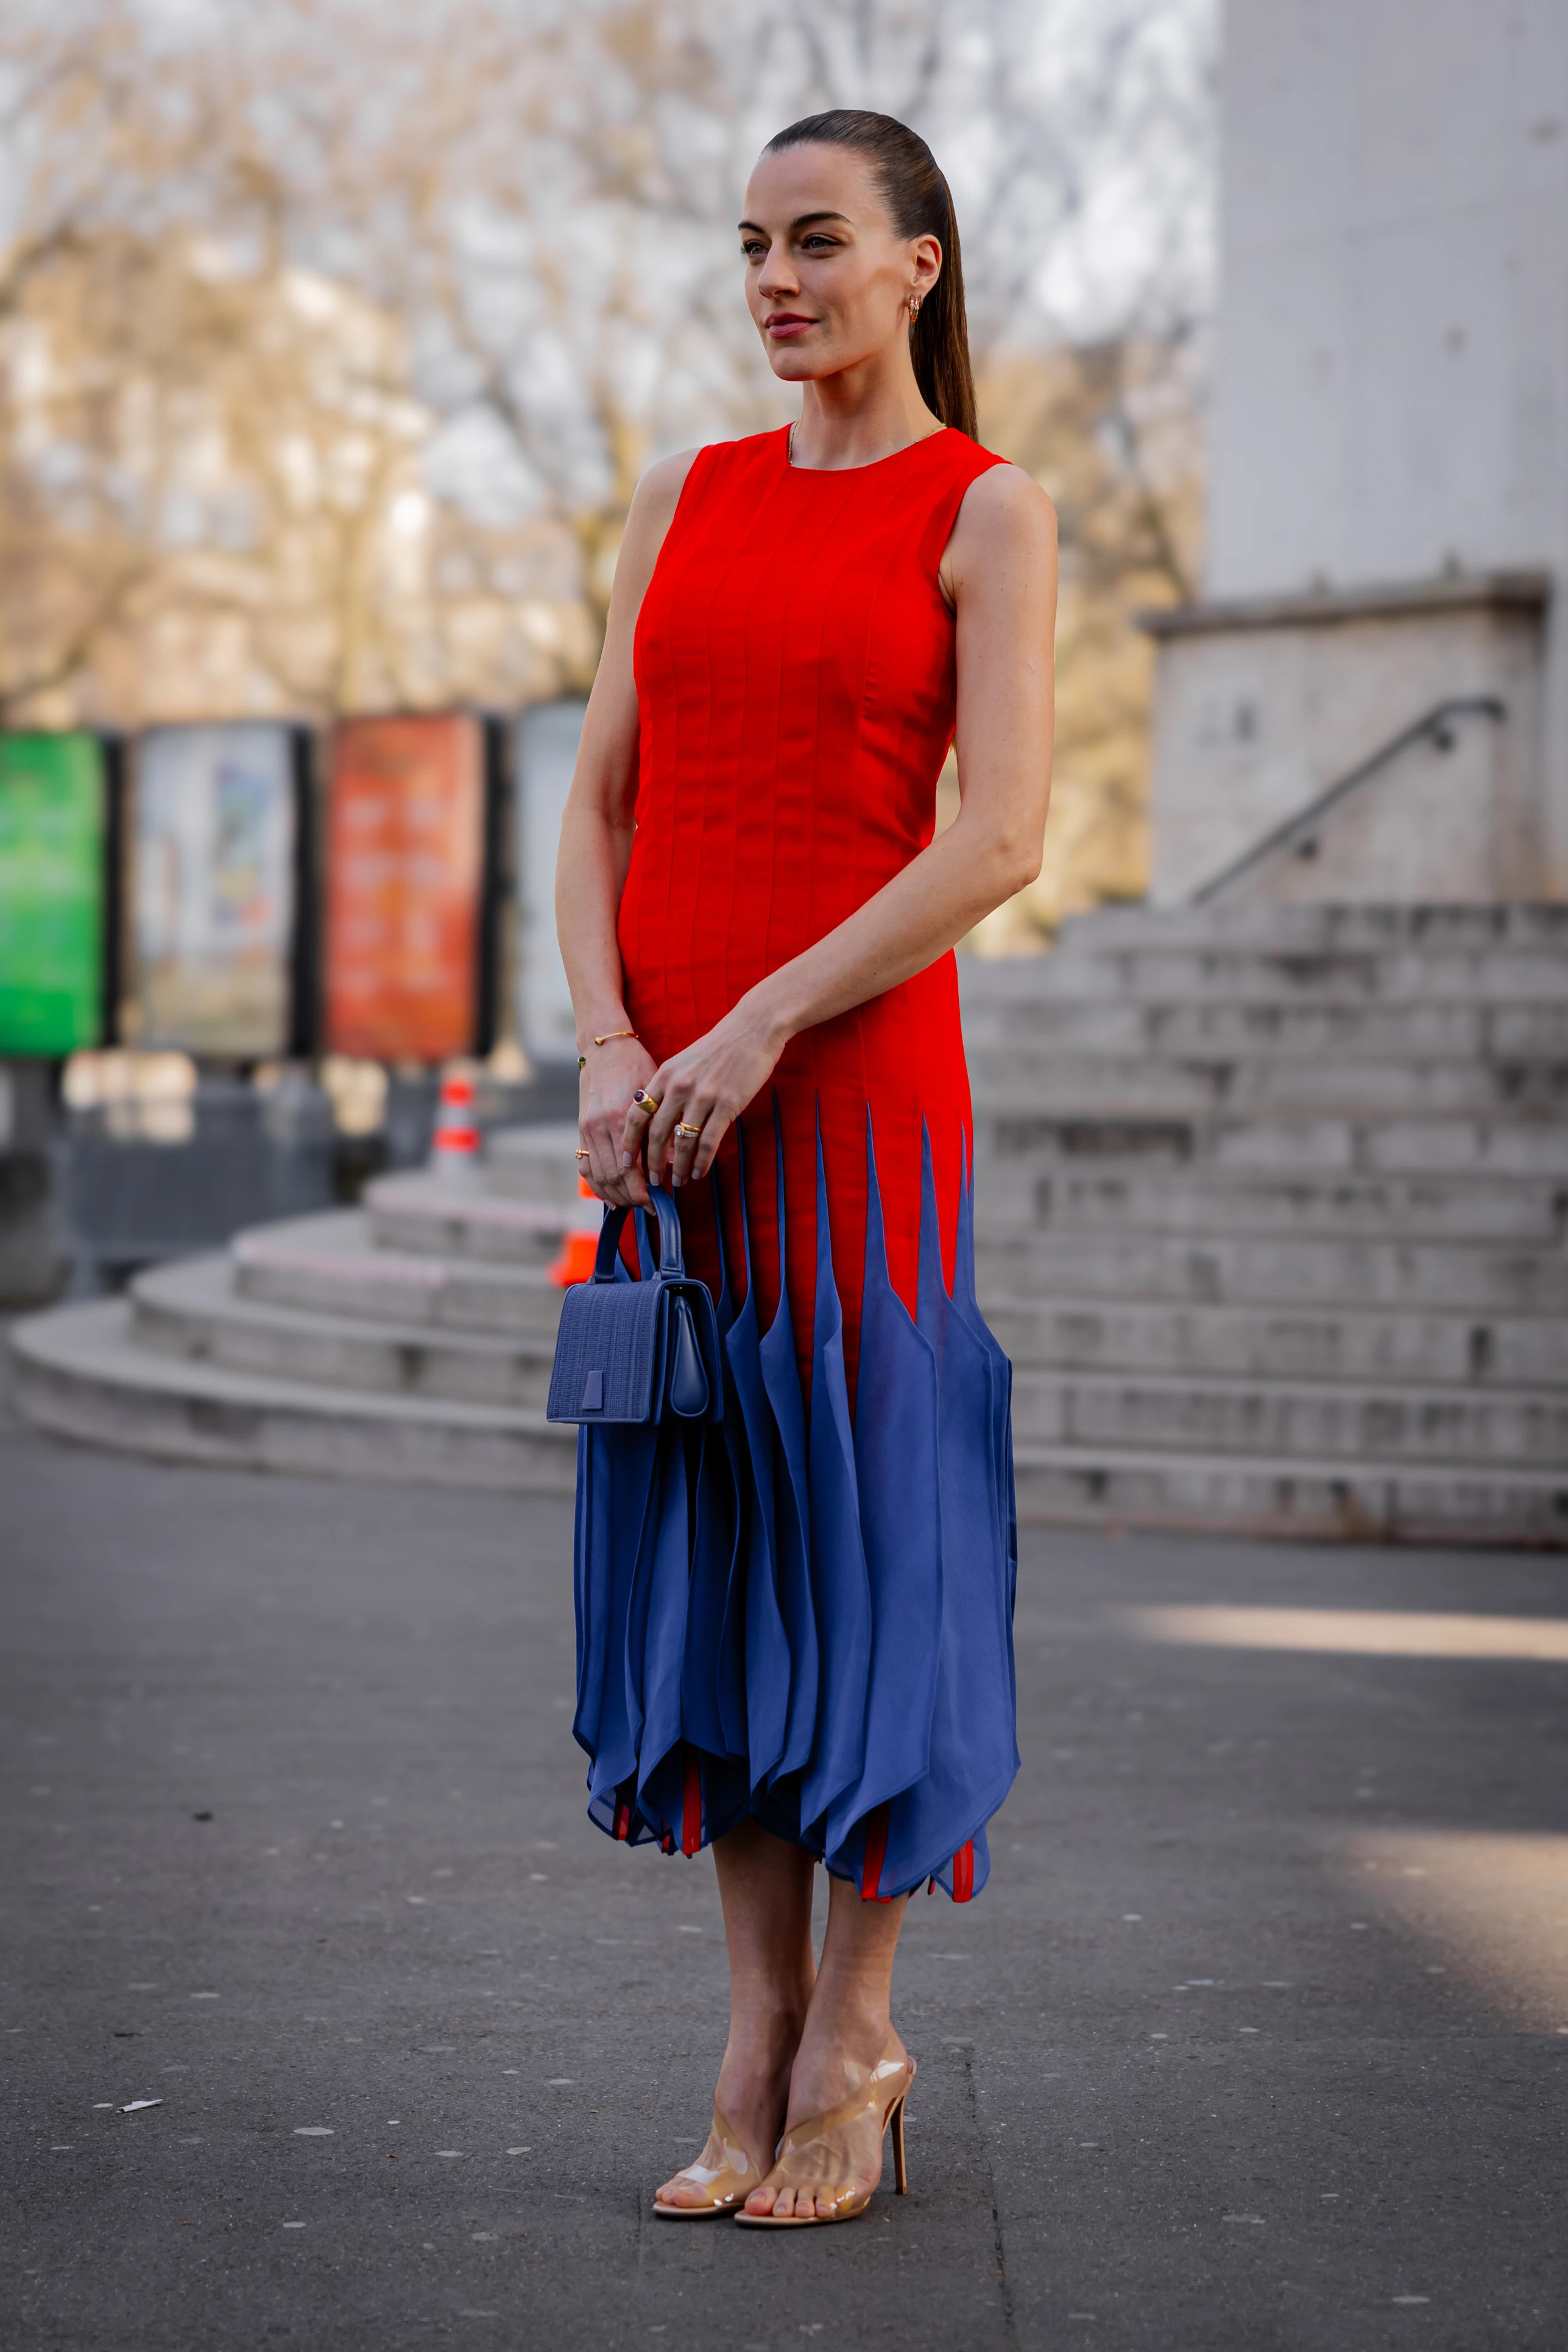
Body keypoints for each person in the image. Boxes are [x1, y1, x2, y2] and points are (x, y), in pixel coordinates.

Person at [554, 107, 1056, 2228]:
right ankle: (752, 2033)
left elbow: (1001, 832)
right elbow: (598, 801)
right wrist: (610, 1036)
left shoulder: (986, 507)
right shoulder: (683, 491)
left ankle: (857, 2027)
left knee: (865, 1552)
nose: (772, 277)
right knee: (719, 1559)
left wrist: (762, 1016)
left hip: (847, 1106)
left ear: (916, 265)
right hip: (665, 1124)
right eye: (750, 243)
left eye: (816, 239)